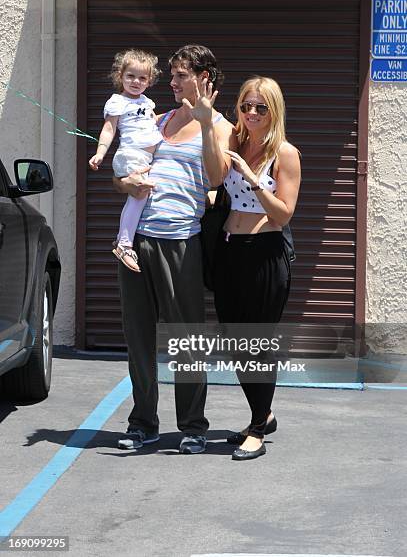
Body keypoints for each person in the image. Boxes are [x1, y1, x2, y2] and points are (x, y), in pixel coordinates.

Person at [112, 45, 236, 454]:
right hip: (139, 240)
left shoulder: (220, 126)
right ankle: (142, 422)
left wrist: (202, 124)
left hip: (181, 241)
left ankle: (193, 425)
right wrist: (127, 185)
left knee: (188, 339)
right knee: (139, 337)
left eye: (181, 75)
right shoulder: (158, 118)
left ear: (205, 79)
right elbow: (125, 175)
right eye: (172, 75)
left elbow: (217, 179)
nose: (172, 81)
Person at [187, 76, 301, 460]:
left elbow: (283, 215)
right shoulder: (235, 141)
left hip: (265, 252)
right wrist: (206, 124)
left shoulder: (285, 153)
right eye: (245, 106)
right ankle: (264, 415)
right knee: (234, 342)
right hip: (229, 251)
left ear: (274, 111)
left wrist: (254, 181)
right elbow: (216, 177)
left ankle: (256, 430)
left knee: (257, 344)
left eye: (260, 108)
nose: (251, 113)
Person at [89, 48, 163, 272]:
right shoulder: (117, 102)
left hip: (146, 157)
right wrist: (100, 153)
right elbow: (109, 130)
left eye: (142, 78)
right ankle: (124, 243)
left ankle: (127, 240)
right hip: (131, 155)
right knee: (139, 195)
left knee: (140, 197)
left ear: (149, 81)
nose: (136, 81)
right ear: (120, 76)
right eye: (130, 76)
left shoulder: (148, 103)